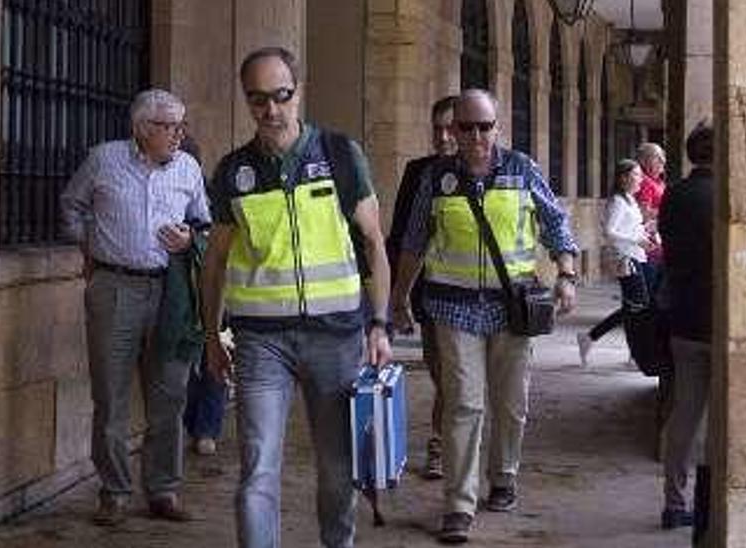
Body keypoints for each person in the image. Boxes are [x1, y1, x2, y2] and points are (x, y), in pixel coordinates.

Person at [199, 46, 393, 548]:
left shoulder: (338, 154)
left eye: (281, 95)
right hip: (261, 343)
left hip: (336, 338)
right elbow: (215, 260)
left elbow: (374, 243)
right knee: (257, 471)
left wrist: (380, 323)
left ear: (298, 90)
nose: (271, 109)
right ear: (247, 100)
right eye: (258, 99)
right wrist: (211, 336)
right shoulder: (232, 172)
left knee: (336, 468)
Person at [392, 89, 580, 544]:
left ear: (498, 127)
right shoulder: (436, 178)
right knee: (463, 403)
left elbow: (556, 223)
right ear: (452, 130)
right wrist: (398, 297)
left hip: (511, 308)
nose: (475, 136)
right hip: (453, 308)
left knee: (511, 403)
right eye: (466, 127)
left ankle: (505, 475)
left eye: (484, 126)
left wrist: (567, 273)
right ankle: (458, 504)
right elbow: (415, 241)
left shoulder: (522, 169)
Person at [60, 88, 209, 526]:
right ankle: (114, 492)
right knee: (110, 395)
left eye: (182, 125)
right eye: (169, 126)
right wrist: (86, 245)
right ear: (142, 128)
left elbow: (207, 223)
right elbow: (71, 204)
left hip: (171, 293)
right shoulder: (104, 160)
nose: (178, 135)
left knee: (169, 393)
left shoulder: (188, 168)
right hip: (114, 287)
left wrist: (190, 241)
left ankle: (163, 489)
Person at [385, 95, 460, 480]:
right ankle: (449, 439)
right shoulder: (418, 172)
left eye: (452, 127)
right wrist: (396, 298)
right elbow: (400, 237)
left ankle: (441, 445)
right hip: (431, 295)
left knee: (457, 376)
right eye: (437, 128)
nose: (444, 136)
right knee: (444, 374)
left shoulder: (494, 171)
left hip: (479, 297)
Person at [658, 122, 715, 530]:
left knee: (685, 413)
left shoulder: (675, 194)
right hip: (721, 321)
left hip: (684, 317)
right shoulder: (724, 197)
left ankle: (674, 502)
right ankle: (711, 506)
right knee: (721, 417)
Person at [177, 134, 228, 457]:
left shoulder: (210, 194)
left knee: (213, 357)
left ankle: (206, 428)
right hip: (180, 291)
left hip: (213, 289)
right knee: (188, 359)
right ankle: (196, 425)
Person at [576, 159, 653, 367]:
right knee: (636, 307)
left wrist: (646, 231)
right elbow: (610, 232)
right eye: (637, 175)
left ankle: (597, 340)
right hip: (625, 259)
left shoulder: (629, 199)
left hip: (636, 256)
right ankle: (600, 340)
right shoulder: (617, 202)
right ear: (624, 178)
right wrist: (636, 239)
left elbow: (630, 228)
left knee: (634, 307)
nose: (641, 180)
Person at [634, 142, 667, 294]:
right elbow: (643, 213)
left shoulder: (658, 182)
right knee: (650, 289)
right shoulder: (645, 183)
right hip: (649, 244)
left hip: (658, 243)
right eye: (657, 157)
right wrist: (668, 211)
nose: (662, 161)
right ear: (644, 161)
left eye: (663, 156)